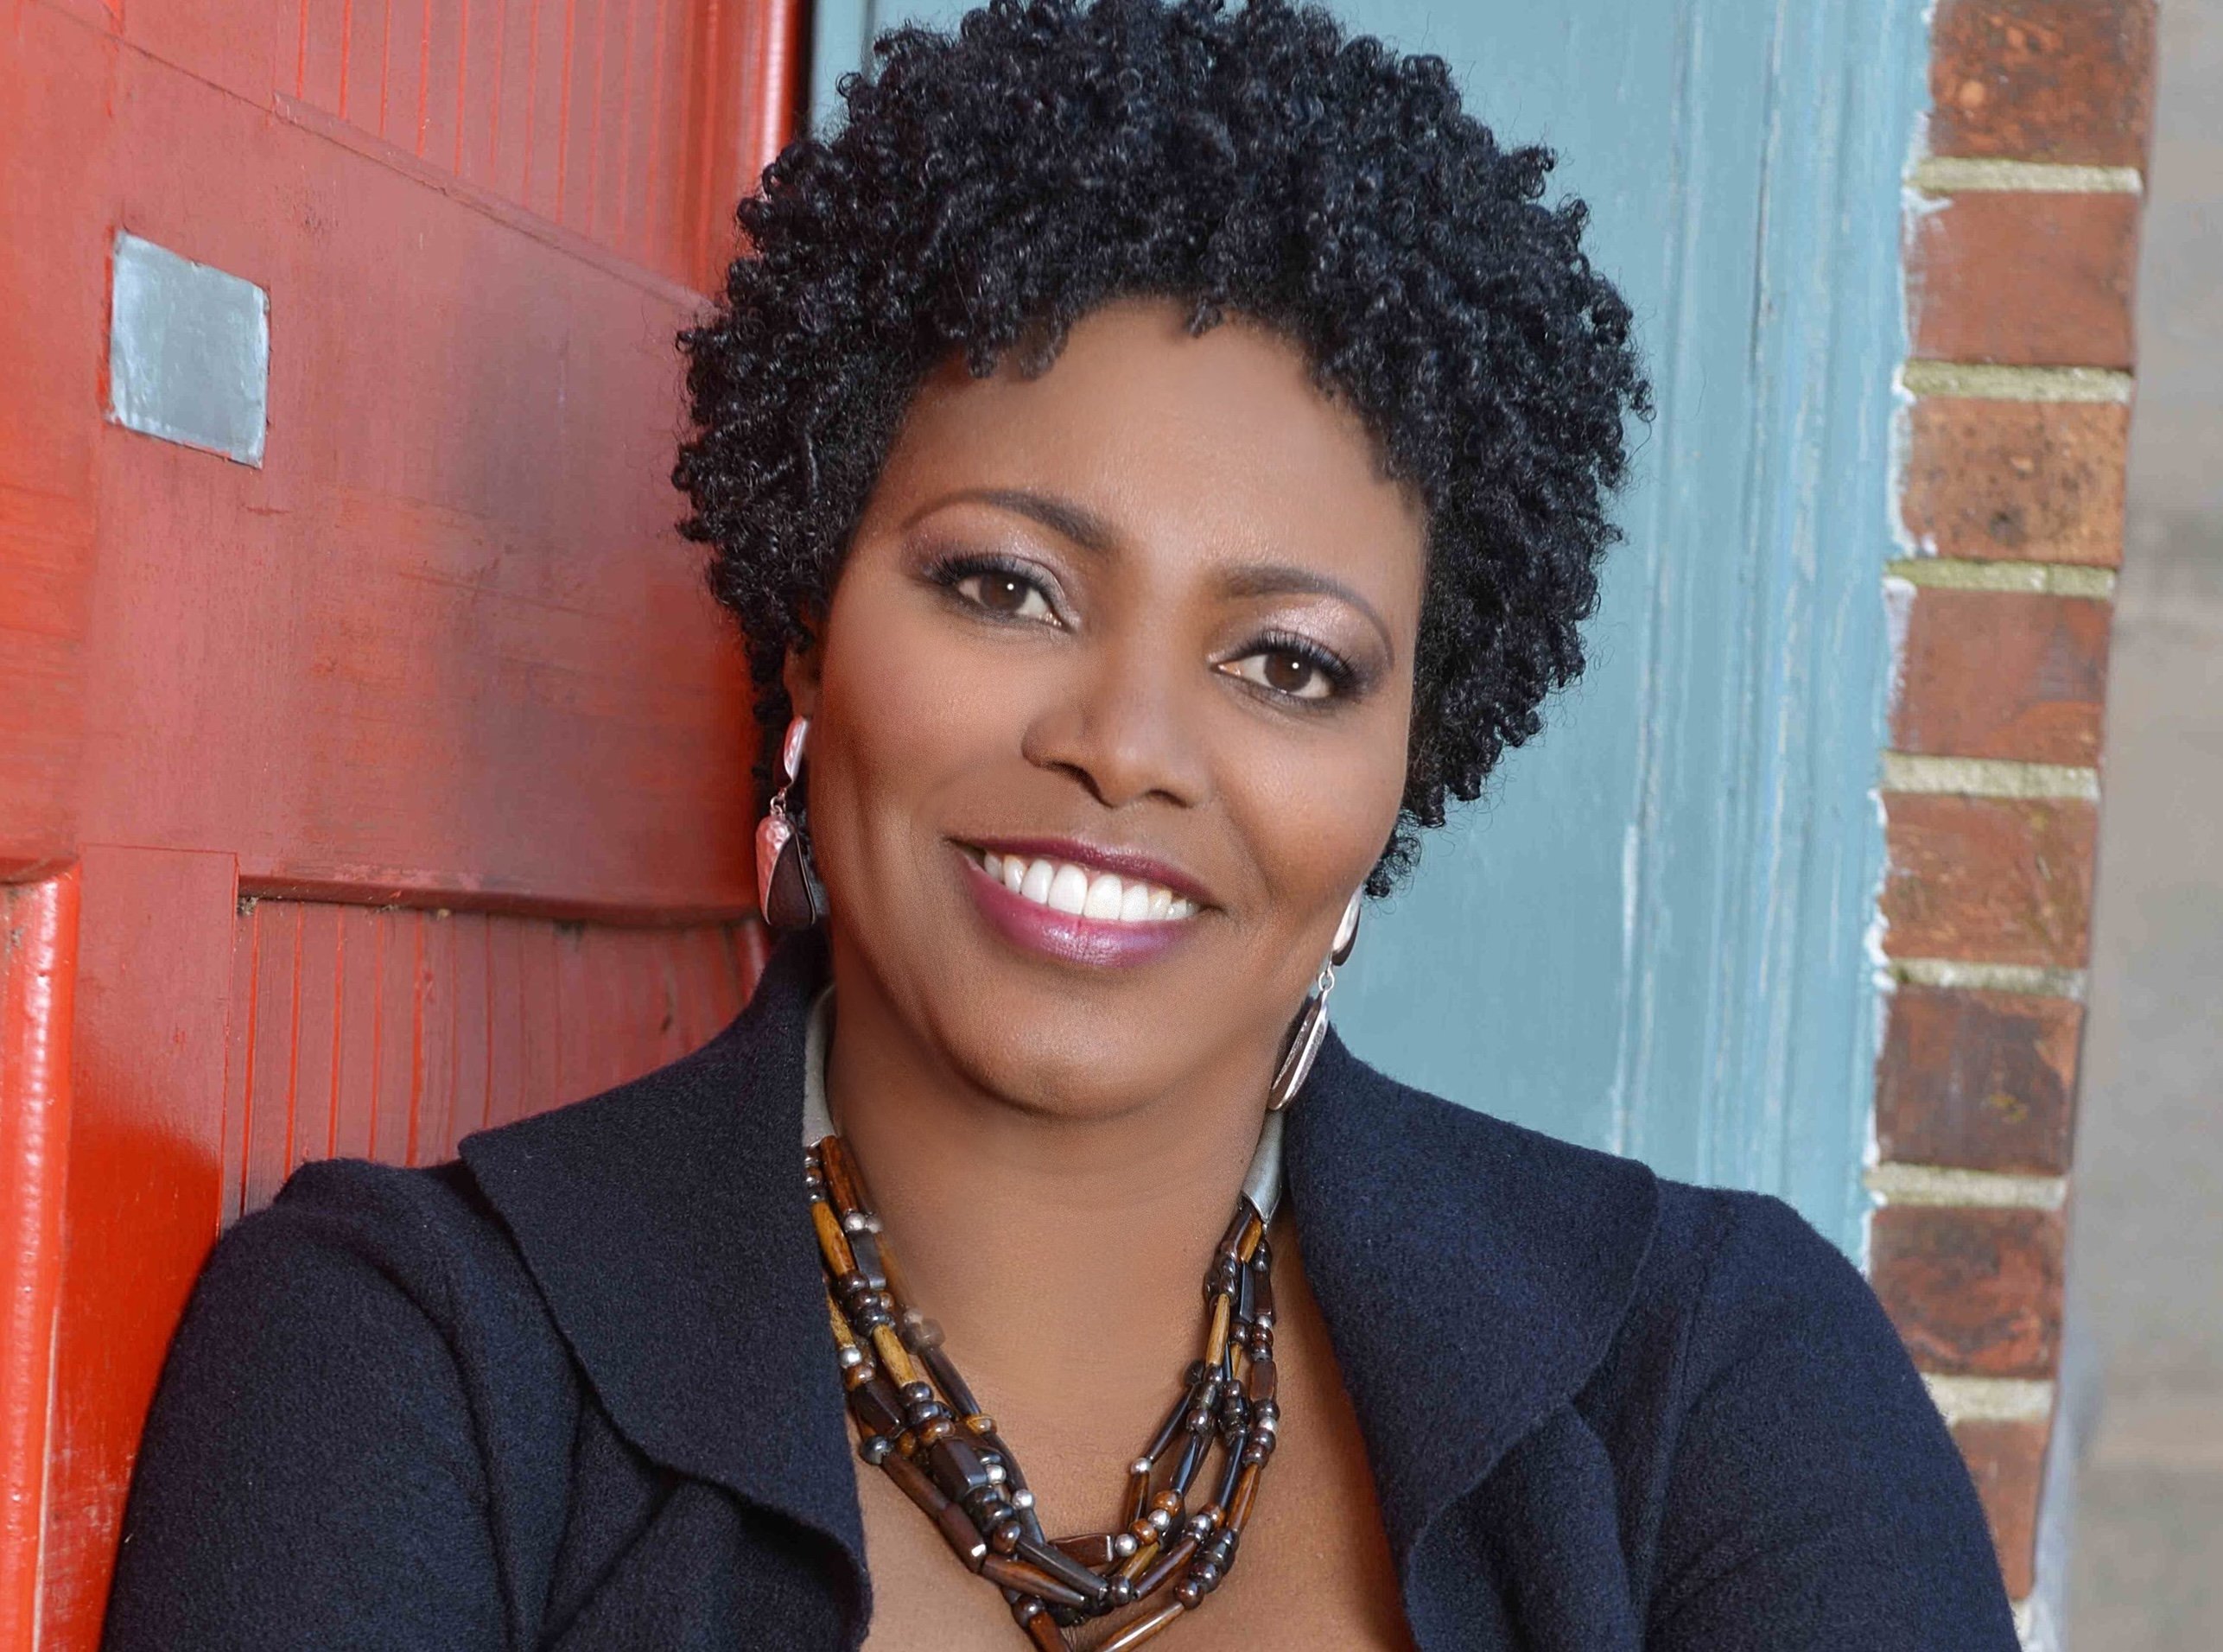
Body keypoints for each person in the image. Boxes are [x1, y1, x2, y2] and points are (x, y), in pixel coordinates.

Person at [102, 2, 2019, 1648]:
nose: (1124, 746)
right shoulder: (407, 1358)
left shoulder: (1718, 1381)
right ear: (809, 629)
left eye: (1289, 663)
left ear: (1404, 761)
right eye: (1006, 585)